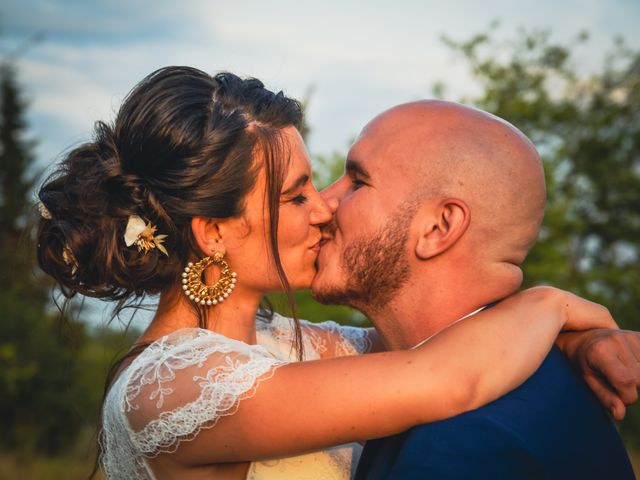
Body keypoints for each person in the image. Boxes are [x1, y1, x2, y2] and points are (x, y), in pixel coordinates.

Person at [35, 67, 637, 480]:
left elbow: (432, 338)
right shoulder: (173, 388)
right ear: (212, 232)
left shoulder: (284, 345)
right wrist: (551, 305)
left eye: (349, 181)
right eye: (296, 196)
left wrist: (580, 339)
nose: (324, 206)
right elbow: (443, 374)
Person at [307, 100, 635, 479]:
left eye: (358, 182)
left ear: (439, 228)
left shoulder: (468, 440)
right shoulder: (528, 379)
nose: (323, 204)